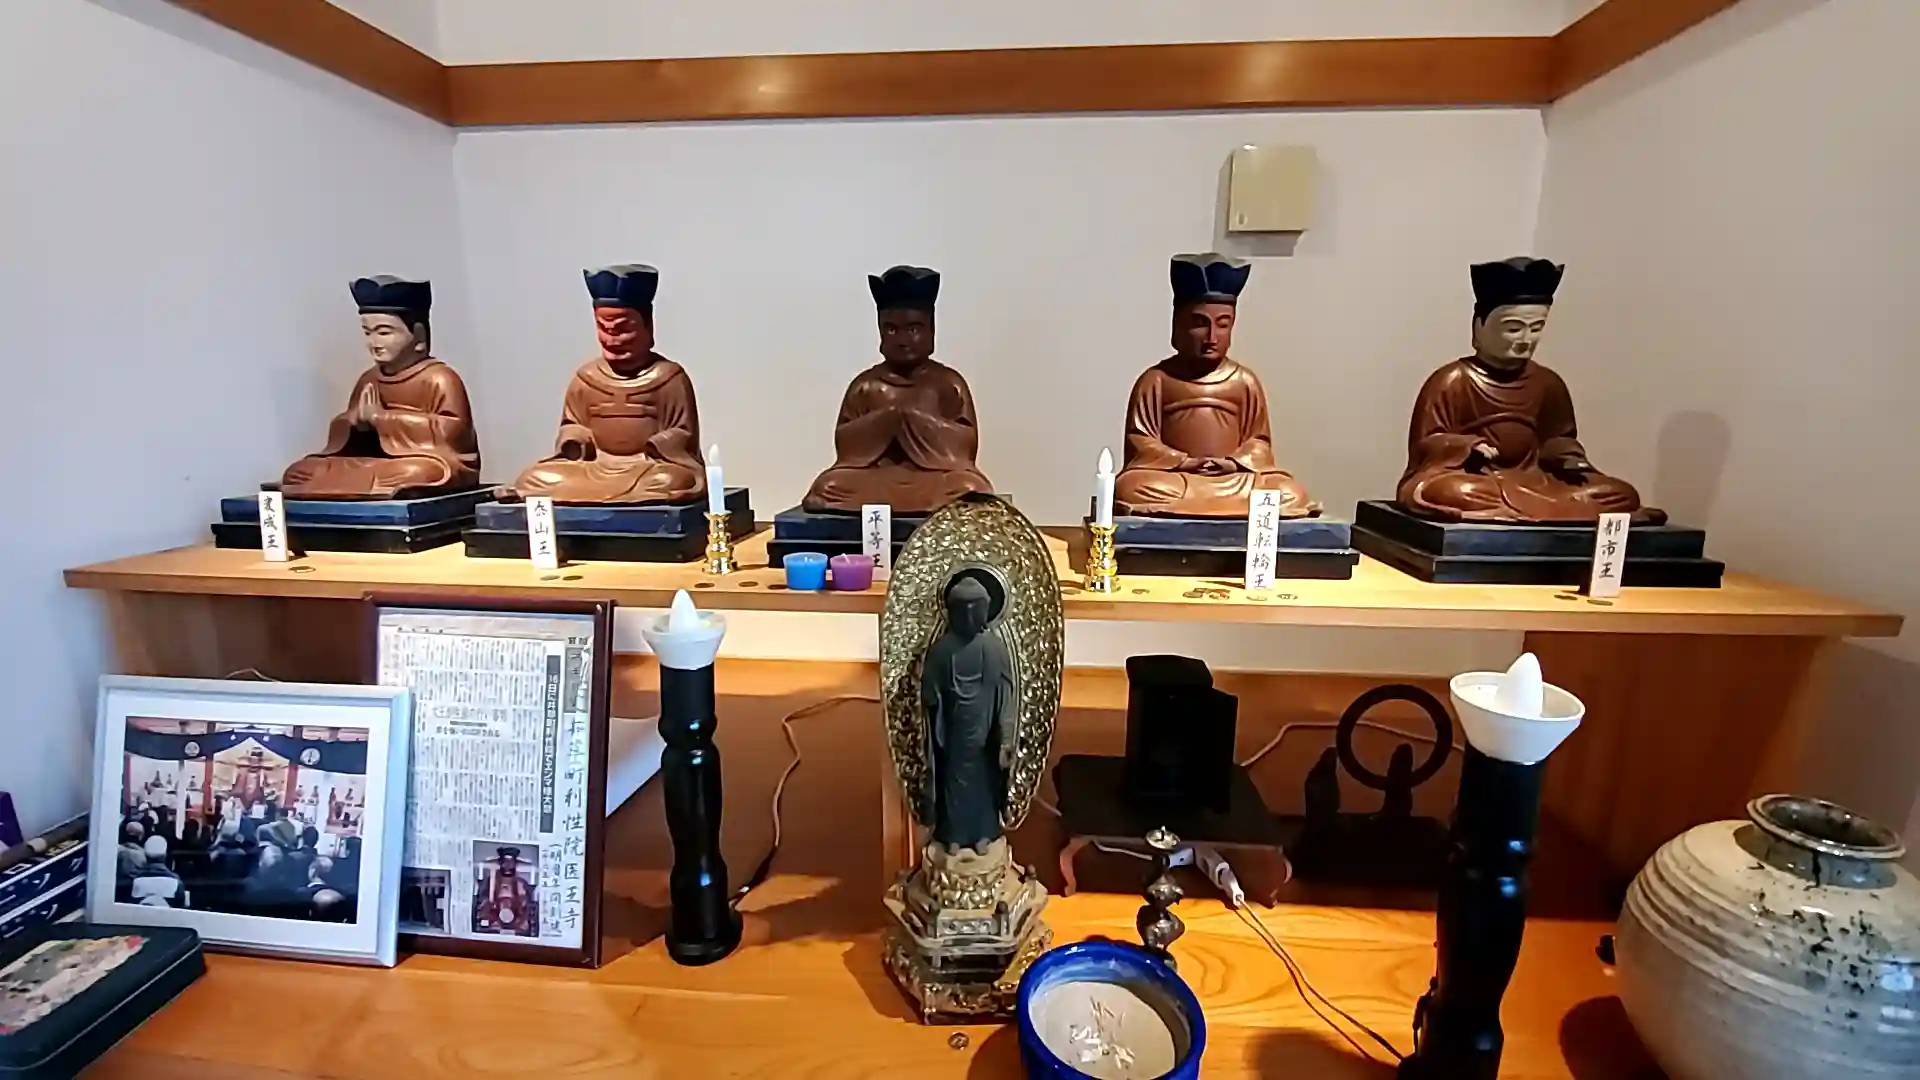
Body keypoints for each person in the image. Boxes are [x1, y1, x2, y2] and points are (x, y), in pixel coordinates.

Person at [1396, 258, 1659, 523]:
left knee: (1621, 493)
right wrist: (1469, 446)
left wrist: (1570, 458)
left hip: (1537, 481)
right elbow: (1426, 444)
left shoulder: (1548, 382)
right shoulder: (1453, 380)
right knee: (1451, 491)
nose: (1525, 340)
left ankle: (1532, 512)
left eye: (1536, 328)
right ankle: (1537, 512)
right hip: (1481, 479)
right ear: (1478, 327)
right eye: (1513, 328)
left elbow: (1557, 439)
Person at [1115, 253, 1318, 518]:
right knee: (1130, 487)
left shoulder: (1243, 381)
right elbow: (1140, 440)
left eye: (1222, 325)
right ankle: (1204, 507)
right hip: (1179, 479)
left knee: (1288, 491)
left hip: (1233, 481)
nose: (1212, 337)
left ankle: (1198, 508)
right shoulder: (1157, 380)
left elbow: (1258, 441)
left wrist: (1233, 464)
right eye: (1200, 324)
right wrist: (1184, 462)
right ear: (1178, 325)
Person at [801, 266, 992, 514]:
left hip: (932, 477)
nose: (902, 340)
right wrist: (885, 420)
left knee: (969, 486)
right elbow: (845, 445)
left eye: (913, 329)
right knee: (828, 485)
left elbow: (966, 445)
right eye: (891, 329)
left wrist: (912, 420)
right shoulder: (866, 385)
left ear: (931, 330)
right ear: (880, 331)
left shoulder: (948, 382)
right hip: (876, 476)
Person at [510, 266, 707, 503]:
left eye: (624, 329)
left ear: (648, 326)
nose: (612, 340)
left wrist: (658, 445)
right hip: (593, 468)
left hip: (645, 468)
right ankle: (609, 496)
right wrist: (574, 438)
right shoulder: (586, 378)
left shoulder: (669, 377)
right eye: (604, 328)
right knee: (534, 477)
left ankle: (625, 494)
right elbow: (572, 425)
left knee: (672, 479)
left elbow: (683, 434)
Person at [281, 276, 481, 498]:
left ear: (418, 336)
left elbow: (455, 433)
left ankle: (361, 483)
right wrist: (355, 423)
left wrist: (382, 419)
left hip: (426, 460)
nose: (374, 343)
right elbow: (348, 433)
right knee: (302, 470)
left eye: (384, 332)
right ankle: (361, 484)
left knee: (418, 472)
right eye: (368, 332)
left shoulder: (439, 378)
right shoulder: (368, 379)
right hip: (379, 462)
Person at [917, 575, 1017, 856]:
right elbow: (929, 690)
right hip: (952, 730)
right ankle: (952, 834)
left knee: (984, 780)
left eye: (976, 609)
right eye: (964, 610)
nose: (971, 616)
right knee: (952, 780)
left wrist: (1005, 736)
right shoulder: (942, 651)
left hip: (985, 732)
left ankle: (985, 832)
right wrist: (933, 697)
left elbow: (1007, 694)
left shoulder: (994, 649)